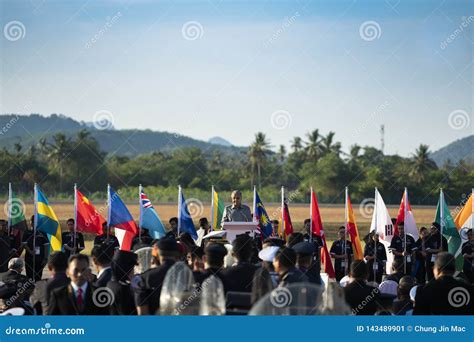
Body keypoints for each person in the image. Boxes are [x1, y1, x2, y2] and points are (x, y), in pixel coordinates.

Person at [134, 237, 180, 315]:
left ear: (156, 254)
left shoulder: (144, 278)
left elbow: (142, 313)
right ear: (178, 254)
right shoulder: (189, 275)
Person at [107, 250, 138, 315]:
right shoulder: (123, 289)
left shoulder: (110, 283)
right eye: (132, 268)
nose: (134, 271)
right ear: (125, 269)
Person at [21, 216, 49, 281]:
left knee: (38, 277)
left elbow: (46, 246)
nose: (33, 223)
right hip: (29, 259)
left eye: (35, 221)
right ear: (30, 222)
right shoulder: (27, 232)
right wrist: (30, 251)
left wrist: (46, 258)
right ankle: (30, 290)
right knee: (29, 277)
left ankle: (37, 290)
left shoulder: (42, 233)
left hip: (39, 259)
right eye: (32, 221)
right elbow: (24, 244)